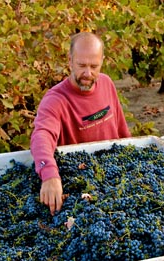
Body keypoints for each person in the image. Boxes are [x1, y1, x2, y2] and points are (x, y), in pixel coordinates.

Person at [30, 32, 131, 215]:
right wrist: (50, 174)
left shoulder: (107, 83)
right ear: (70, 60)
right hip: (82, 183)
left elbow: (121, 129)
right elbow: (42, 135)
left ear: (102, 61)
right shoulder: (55, 100)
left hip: (115, 177)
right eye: (81, 65)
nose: (87, 73)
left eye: (94, 66)